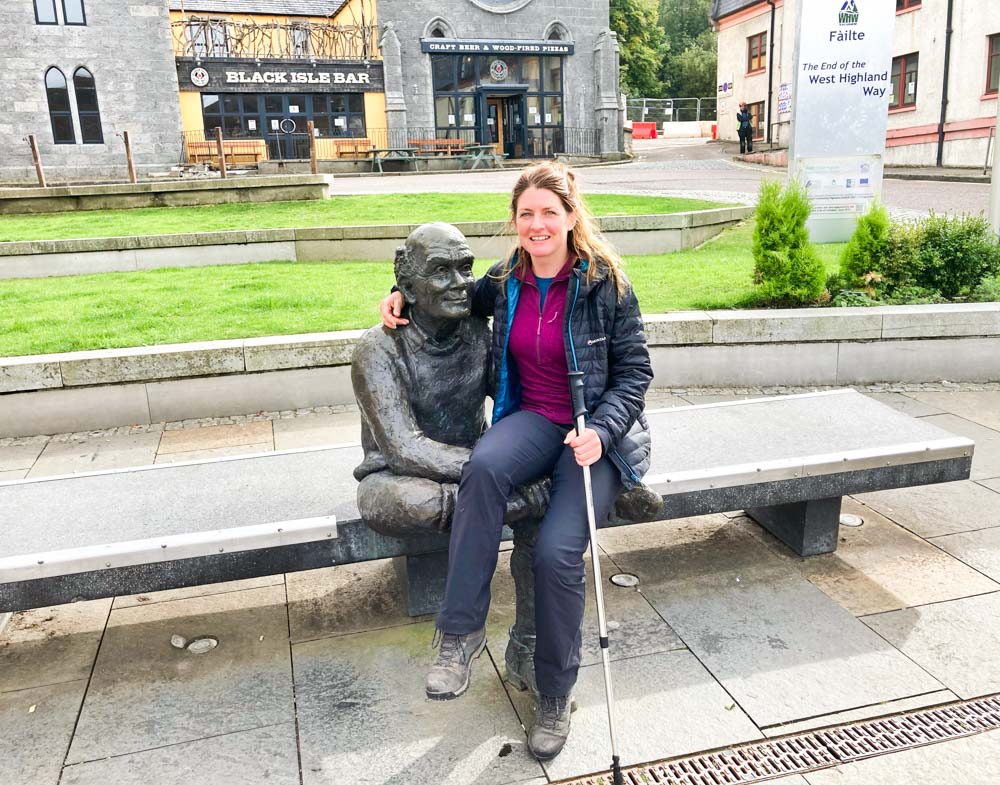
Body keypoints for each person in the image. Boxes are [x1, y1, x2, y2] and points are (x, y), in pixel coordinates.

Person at [380, 162, 653, 761]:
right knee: (482, 468)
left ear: (571, 217)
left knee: (557, 552)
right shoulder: (505, 281)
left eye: (548, 213)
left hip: (594, 435)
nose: (537, 225)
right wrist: (400, 295)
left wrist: (604, 433)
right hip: (533, 421)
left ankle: (554, 693)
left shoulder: (607, 285)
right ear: (516, 221)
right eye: (526, 214)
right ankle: (459, 635)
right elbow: (445, 297)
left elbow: (636, 374)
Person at [352, 222, 550, 537]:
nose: (460, 283)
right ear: (408, 287)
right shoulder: (378, 348)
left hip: (479, 459)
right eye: (441, 271)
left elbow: (512, 397)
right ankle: (516, 505)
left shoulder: (477, 332)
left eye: (466, 268)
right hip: (400, 475)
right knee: (405, 502)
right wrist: (503, 468)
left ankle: (495, 502)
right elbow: (404, 449)